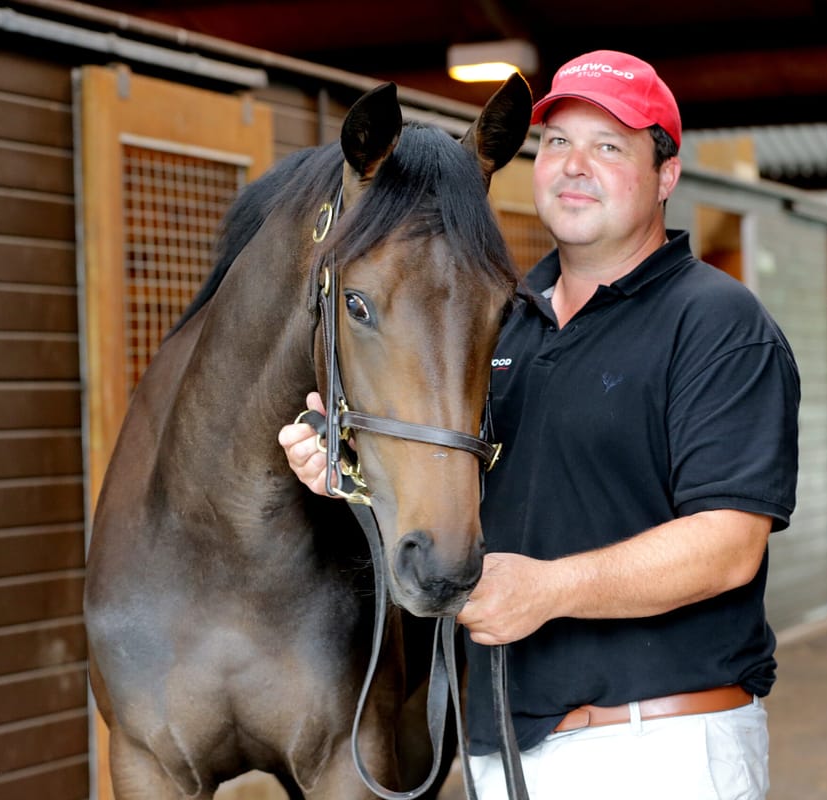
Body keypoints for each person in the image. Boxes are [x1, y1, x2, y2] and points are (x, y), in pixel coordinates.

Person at [279, 50, 800, 799]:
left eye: (609, 145)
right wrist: (352, 478)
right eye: (556, 142)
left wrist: (549, 590)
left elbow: (727, 546)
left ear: (666, 176)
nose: (574, 164)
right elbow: (482, 497)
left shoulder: (717, 323)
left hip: (659, 748)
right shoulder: (500, 321)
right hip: (506, 751)